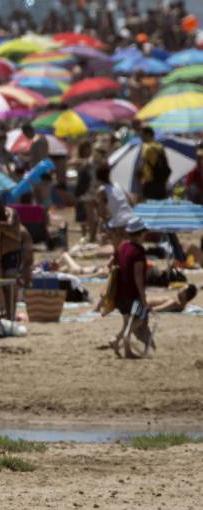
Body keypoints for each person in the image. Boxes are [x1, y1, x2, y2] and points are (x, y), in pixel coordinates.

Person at [108, 219, 150, 359]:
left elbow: (111, 265)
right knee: (141, 319)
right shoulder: (138, 251)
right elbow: (138, 276)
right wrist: (143, 298)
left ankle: (126, 350)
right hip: (132, 295)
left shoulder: (123, 247)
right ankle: (120, 338)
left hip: (120, 293)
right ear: (140, 233)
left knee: (127, 321)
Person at [94, 163, 137, 249]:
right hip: (131, 217)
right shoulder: (118, 186)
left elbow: (101, 213)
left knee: (118, 250)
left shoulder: (101, 190)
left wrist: (107, 226)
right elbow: (132, 201)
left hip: (119, 222)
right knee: (132, 247)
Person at [139, 126, 170, 200]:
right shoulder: (160, 146)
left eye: (142, 135)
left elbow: (142, 164)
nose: (141, 138)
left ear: (148, 135)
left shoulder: (146, 147)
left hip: (150, 183)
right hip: (161, 181)